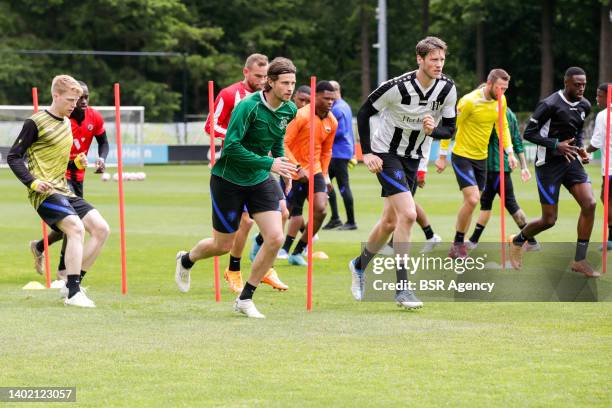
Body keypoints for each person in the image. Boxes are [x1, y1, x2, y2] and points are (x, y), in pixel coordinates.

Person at [175, 57, 298, 318]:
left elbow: (277, 138)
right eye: (285, 83)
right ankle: (186, 259)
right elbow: (230, 147)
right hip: (228, 180)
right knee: (222, 245)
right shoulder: (247, 107)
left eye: (293, 83)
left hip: (260, 178)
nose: (290, 88)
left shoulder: (289, 109)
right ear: (270, 82)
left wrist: (282, 167)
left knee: (276, 236)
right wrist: (270, 163)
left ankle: (245, 299)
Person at [349, 36, 457, 309]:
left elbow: (450, 130)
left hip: (413, 158)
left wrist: (435, 130)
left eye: (442, 59)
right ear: (419, 59)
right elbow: (363, 113)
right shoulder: (396, 87)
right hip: (387, 154)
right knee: (408, 214)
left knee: (389, 222)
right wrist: (369, 152)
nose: (439, 64)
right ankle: (403, 288)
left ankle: (359, 265)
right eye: (433, 59)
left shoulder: (447, 88)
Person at [8, 75, 110, 308]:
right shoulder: (35, 122)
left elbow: (58, 163)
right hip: (43, 193)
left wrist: (76, 165)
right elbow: (13, 156)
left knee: (102, 229)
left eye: (77, 100)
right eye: (70, 100)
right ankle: (73, 293)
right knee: (75, 228)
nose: (75, 104)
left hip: (64, 188)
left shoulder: (66, 123)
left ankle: (73, 284)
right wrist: (32, 182)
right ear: (56, 96)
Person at [204, 53, 288, 293]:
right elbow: (210, 125)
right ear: (246, 72)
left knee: (283, 211)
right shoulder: (231, 95)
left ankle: (265, 264)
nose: (262, 80)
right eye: (258, 76)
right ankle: (234, 269)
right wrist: (237, 135)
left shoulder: (273, 100)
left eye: (265, 76)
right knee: (246, 221)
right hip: (234, 165)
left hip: (262, 165)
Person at [509, 67, 598, 277]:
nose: (581, 88)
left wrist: (581, 150)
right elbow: (529, 133)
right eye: (577, 84)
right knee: (549, 220)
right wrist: (556, 145)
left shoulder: (584, 105)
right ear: (566, 83)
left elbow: (575, 132)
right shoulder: (549, 104)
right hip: (548, 164)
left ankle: (579, 260)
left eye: (584, 84)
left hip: (570, 160)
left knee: (590, 203)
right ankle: (518, 240)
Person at [29, 80, 109, 280]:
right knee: (73, 226)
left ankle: (40, 246)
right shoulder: (62, 119)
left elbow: (104, 142)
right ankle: (64, 273)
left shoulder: (95, 116)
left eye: (85, 97)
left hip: (78, 175)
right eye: (78, 98)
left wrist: (101, 158)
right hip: (59, 177)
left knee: (70, 226)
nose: (82, 101)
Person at [436, 69, 518, 258]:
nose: (502, 93)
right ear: (489, 84)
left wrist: (510, 153)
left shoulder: (501, 101)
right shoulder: (468, 102)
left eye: (505, 89)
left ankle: (457, 244)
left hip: (481, 159)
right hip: (462, 156)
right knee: (473, 199)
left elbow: (502, 126)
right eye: (499, 88)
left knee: (471, 202)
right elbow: (451, 127)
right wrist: (442, 156)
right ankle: (458, 243)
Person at [465, 106, 539, 250]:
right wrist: (524, 166)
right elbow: (517, 140)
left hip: (493, 168)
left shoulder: (490, 112)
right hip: (499, 168)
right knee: (486, 204)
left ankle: (532, 241)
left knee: (511, 205)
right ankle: (474, 240)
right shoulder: (510, 113)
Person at [280, 81, 337, 266]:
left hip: (316, 171)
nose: (330, 102)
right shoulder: (301, 116)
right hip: (293, 171)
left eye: (332, 99)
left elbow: (327, 151)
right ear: (315, 97)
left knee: (321, 210)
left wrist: (326, 176)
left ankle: (297, 251)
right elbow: (283, 143)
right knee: (288, 213)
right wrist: (296, 167)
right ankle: (262, 244)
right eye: (326, 98)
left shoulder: (332, 122)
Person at [322, 80, 357, 231]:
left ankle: (350, 221)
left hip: (337, 153)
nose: (327, 97)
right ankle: (336, 218)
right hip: (342, 152)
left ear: (336, 92)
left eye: (329, 93)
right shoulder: (345, 106)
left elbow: (340, 131)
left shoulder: (336, 109)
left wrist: (322, 135)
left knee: (339, 186)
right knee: (326, 183)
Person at [586, 83, 612, 251]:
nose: (597, 98)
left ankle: (611, 238)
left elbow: (595, 143)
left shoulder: (603, 115)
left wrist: (583, 152)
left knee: (607, 198)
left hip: (610, 169)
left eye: (599, 95)